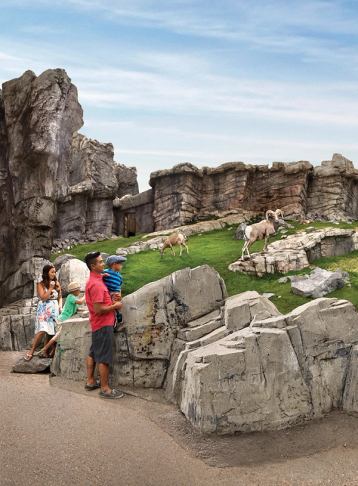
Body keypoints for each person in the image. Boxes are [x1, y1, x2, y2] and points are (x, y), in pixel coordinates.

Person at [84, 251, 124, 399]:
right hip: (103, 324)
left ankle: (90, 382)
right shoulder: (97, 285)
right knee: (104, 357)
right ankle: (105, 389)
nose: (103, 264)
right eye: (100, 262)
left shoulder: (96, 279)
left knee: (93, 352)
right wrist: (116, 306)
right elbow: (99, 309)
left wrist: (111, 295)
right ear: (93, 266)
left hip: (96, 324)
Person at [38, 281, 85, 357]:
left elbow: (76, 309)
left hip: (65, 321)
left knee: (59, 339)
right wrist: (86, 295)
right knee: (57, 336)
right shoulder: (71, 297)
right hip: (62, 320)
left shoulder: (73, 297)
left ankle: (51, 353)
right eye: (79, 290)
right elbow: (80, 302)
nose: (80, 291)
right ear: (75, 291)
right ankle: (44, 350)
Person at [25, 264, 62, 361]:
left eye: (55, 272)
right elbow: (43, 298)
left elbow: (60, 296)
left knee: (51, 330)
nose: (54, 274)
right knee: (42, 330)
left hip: (54, 309)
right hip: (44, 309)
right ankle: (31, 351)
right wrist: (50, 288)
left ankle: (45, 352)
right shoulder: (40, 284)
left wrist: (60, 306)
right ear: (46, 273)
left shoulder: (57, 283)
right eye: (52, 272)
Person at [102, 255, 126, 327]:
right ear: (114, 264)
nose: (122, 266)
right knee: (113, 305)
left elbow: (119, 287)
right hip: (108, 293)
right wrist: (102, 276)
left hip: (116, 293)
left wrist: (120, 294)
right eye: (120, 264)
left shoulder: (119, 276)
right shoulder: (106, 272)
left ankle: (117, 317)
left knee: (117, 305)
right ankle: (113, 321)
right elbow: (98, 277)